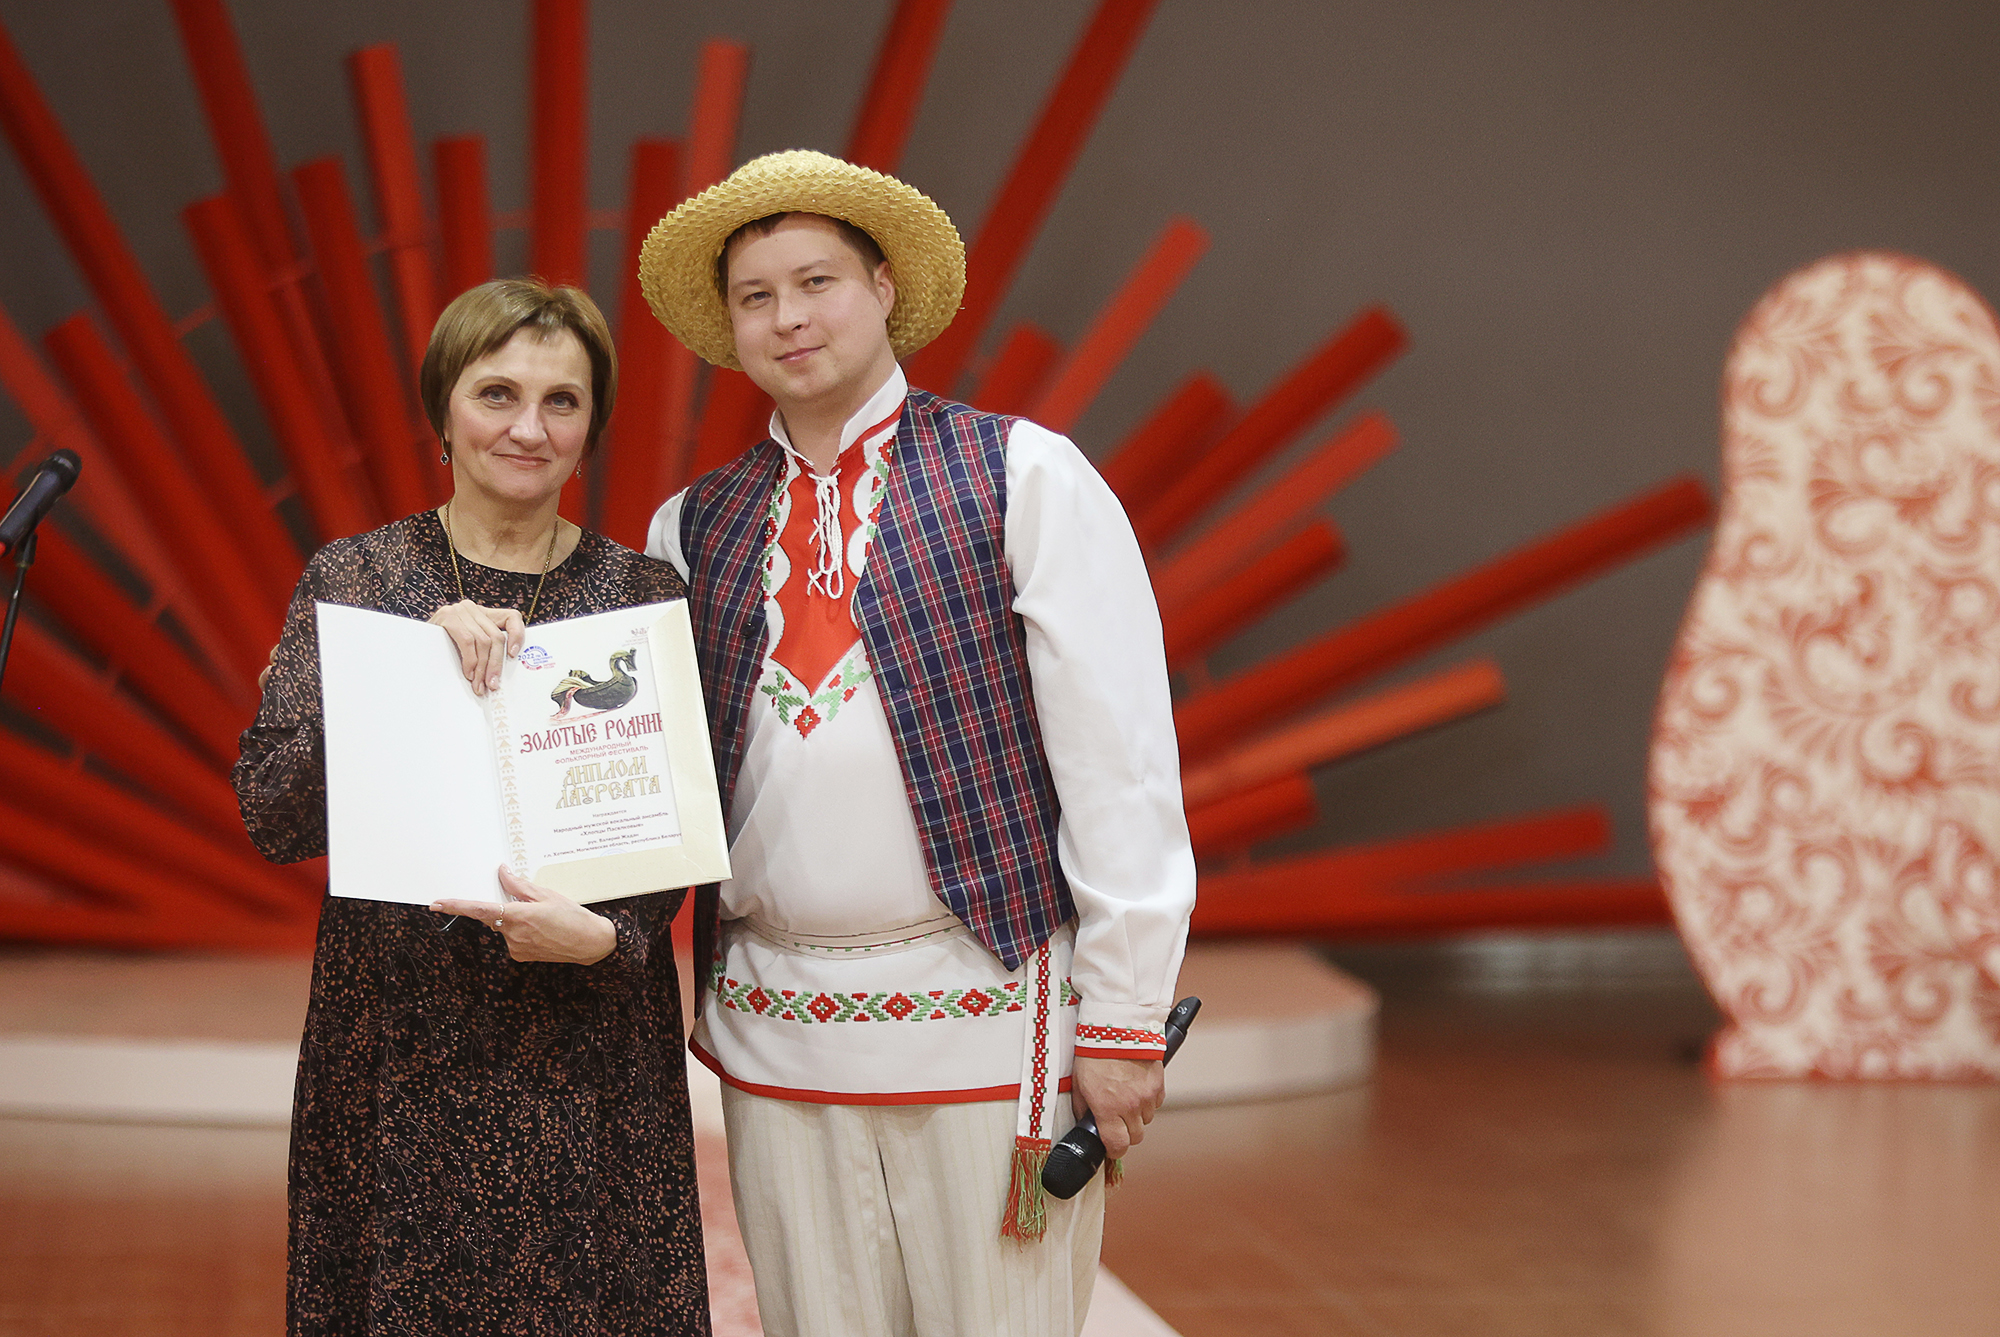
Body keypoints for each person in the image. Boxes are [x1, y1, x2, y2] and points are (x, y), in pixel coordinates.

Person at [637, 150, 1195, 1336]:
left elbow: (1120, 763)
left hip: (990, 1006)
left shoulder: (1023, 474)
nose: (788, 317)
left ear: (883, 287)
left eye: (817, 281)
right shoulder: (690, 526)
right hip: (774, 1026)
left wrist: (1124, 1014)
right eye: (755, 296)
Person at [233, 278, 710, 1337]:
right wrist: (404, 671)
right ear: (442, 411)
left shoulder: (643, 595)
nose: (528, 428)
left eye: (561, 401)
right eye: (497, 394)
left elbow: (671, 845)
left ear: (591, 428)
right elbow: (272, 813)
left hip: (588, 1055)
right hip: (398, 1054)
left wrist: (610, 940)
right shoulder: (357, 580)